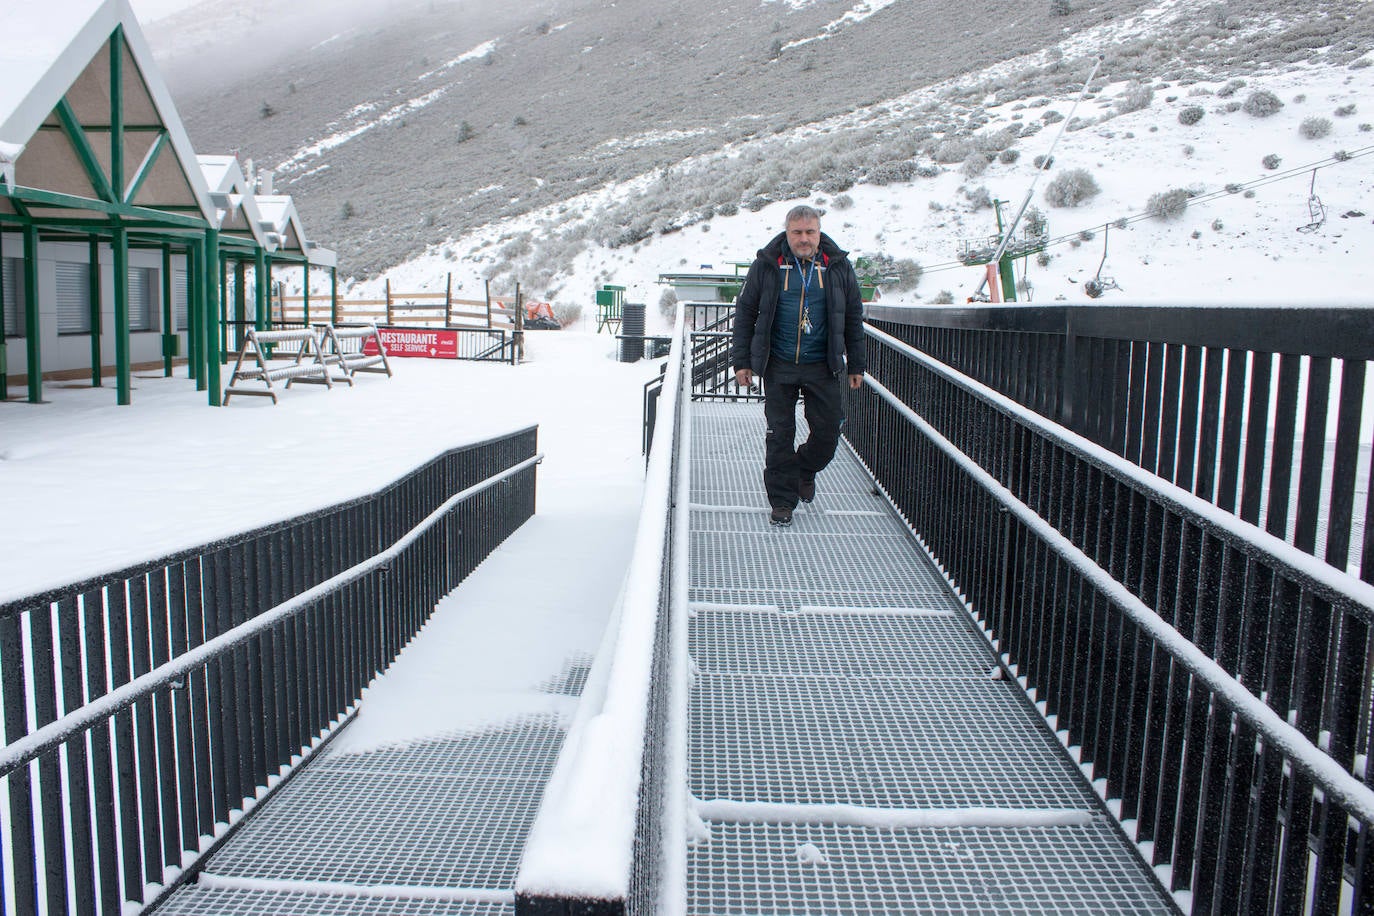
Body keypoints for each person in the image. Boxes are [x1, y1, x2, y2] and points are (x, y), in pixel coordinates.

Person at [730, 205, 866, 527]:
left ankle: (804, 469)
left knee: (829, 433)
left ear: (819, 233)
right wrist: (742, 362)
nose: (804, 239)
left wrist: (856, 364)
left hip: (823, 365)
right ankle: (782, 501)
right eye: (797, 232)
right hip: (779, 365)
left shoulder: (838, 266)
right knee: (779, 435)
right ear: (787, 233)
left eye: (810, 232)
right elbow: (745, 314)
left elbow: (852, 316)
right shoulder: (766, 265)